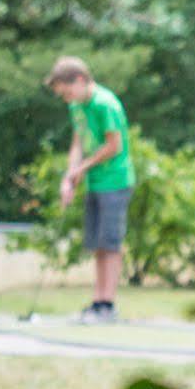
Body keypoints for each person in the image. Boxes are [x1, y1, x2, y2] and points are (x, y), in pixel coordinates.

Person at [44, 56, 135, 324]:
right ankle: (98, 302)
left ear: (81, 80)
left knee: (111, 243)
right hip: (95, 182)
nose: (67, 98)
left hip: (116, 181)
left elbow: (113, 146)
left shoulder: (105, 104)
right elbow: (78, 143)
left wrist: (83, 168)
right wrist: (69, 176)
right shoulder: (77, 106)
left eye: (68, 91)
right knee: (97, 244)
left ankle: (108, 304)